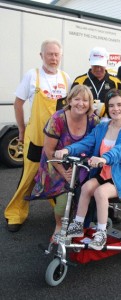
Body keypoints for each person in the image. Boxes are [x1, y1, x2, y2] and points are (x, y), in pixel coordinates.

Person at [54, 89, 121, 250]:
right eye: (112, 105)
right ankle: (77, 225)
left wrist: (104, 158)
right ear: (107, 107)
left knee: (100, 192)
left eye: (120, 105)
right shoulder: (103, 127)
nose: (116, 109)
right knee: (86, 187)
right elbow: (87, 142)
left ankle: (101, 233)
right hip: (103, 174)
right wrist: (67, 150)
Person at [4, 39, 71, 232]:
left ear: (61, 56)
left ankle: (59, 212)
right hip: (35, 138)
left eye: (57, 54)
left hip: (57, 139)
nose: (53, 58)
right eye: (49, 54)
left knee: (57, 176)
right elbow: (18, 103)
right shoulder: (32, 76)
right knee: (28, 177)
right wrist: (22, 130)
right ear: (41, 56)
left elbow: (68, 108)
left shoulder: (65, 78)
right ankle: (15, 214)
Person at [27, 85, 99, 238]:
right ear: (70, 100)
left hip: (80, 164)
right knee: (63, 201)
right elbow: (49, 151)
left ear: (90, 103)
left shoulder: (93, 119)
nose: (81, 103)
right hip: (56, 163)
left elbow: (100, 139)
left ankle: (81, 224)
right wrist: (64, 172)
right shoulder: (58, 119)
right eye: (77, 99)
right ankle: (59, 225)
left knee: (86, 193)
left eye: (85, 100)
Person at [71, 46, 121, 120]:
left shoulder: (116, 82)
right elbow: (70, 104)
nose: (98, 69)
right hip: (84, 123)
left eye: (101, 65)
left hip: (109, 126)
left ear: (107, 62)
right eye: (95, 65)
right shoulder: (79, 81)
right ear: (90, 61)